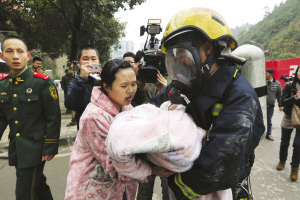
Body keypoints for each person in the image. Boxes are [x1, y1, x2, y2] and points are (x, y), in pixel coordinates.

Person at [148, 8, 265, 200]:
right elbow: (152, 109)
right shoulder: (188, 83)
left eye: (182, 53)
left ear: (208, 49)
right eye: (174, 55)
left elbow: (218, 165)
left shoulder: (240, 96)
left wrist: (172, 179)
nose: (179, 61)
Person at [64, 59, 172, 200]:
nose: (130, 90)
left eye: (133, 84)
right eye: (124, 86)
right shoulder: (94, 118)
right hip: (91, 192)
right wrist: (151, 170)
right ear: (107, 86)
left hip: (118, 190)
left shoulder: (126, 108)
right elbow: (114, 167)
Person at [0, 35, 61, 200]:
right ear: (2, 56)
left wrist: (50, 145)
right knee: (38, 185)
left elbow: (53, 117)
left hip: (35, 149)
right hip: (17, 147)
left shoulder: (41, 83)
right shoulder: (3, 85)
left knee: (24, 194)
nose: (15, 56)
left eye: (20, 51)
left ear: (27, 56)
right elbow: (2, 118)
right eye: (9, 51)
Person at [65, 44, 101, 130]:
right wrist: (82, 79)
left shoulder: (106, 81)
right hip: (85, 133)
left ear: (99, 62)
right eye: (85, 59)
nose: (89, 62)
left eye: (93, 59)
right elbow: (70, 104)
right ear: (79, 64)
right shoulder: (75, 83)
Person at [276, 66, 300, 182]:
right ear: (297, 72)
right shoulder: (289, 85)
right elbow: (282, 102)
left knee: (298, 145)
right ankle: (282, 160)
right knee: (284, 142)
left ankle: (294, 168)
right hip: (289, 116)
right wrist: (294, 97)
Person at [266, 68, 282, 141]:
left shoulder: (277, 83)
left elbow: (279, 95)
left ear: (271, 74)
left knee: (269, 121)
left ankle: (269, 134)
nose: (265, 75)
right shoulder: (262, 82)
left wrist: (280, 105)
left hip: (270, 106)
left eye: (266, 73)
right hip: (261, 106)